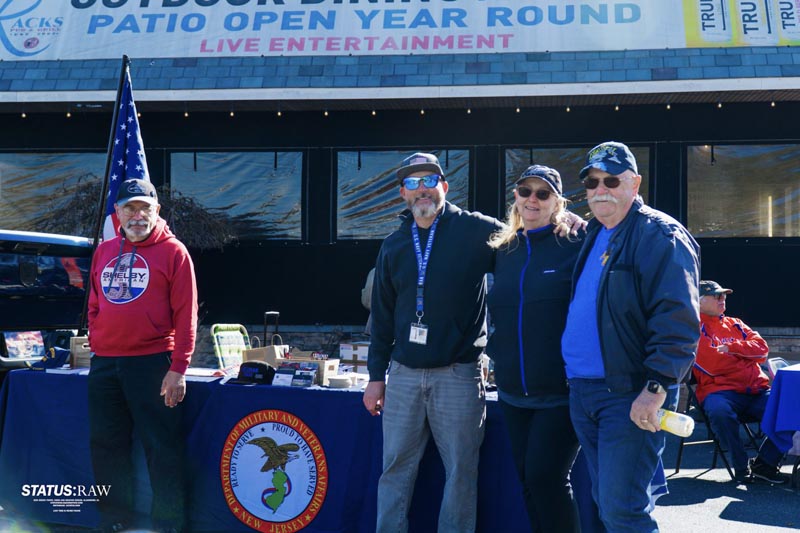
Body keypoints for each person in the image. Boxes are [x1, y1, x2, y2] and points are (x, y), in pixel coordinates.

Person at [561, 141, 700, 531]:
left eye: (611, 179)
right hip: (584, 391)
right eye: (591, 182)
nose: (599, 189)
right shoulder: (594, 232)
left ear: (635, 184)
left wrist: (656, 388)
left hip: (631, 392)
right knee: (607, 503)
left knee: (624, 509)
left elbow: (678, 319)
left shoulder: (660, 234)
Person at [88, 178, 198, 533]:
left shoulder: (175, 252)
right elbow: (94, 303)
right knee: (107, 446)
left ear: (157, 212)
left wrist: (179, 368)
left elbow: (187, 315)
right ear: (117, 214)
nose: (137, 216)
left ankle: (168, 526)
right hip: (105, 363)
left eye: (144, 208)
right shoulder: (104, 251)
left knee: (161, 449)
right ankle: (114, 519)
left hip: (153, 364)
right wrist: (97, 333)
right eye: (129, 208)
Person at [486, 164, 583, 533]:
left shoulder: (577, 243)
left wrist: (577, 220)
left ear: (557, 201)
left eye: (543, 194)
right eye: (525, 191)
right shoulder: (502, 249)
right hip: (512, 393)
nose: (533, 199)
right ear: (515, 196)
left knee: (547, 478)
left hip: (560, 392)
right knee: (528, 480)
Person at [693, 279, 785, 484]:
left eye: (724, 295)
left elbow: (762, 349)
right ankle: (741, 466)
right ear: (699, 301)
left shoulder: (736, 323)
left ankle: (765, 464)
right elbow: (713, 364)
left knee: (790, 409)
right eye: (717, 296)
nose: (722, 299)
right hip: (719, 392)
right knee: (719, 412)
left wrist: (733, 349)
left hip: (755, 390)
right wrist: (746, 357)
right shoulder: (693, 328)